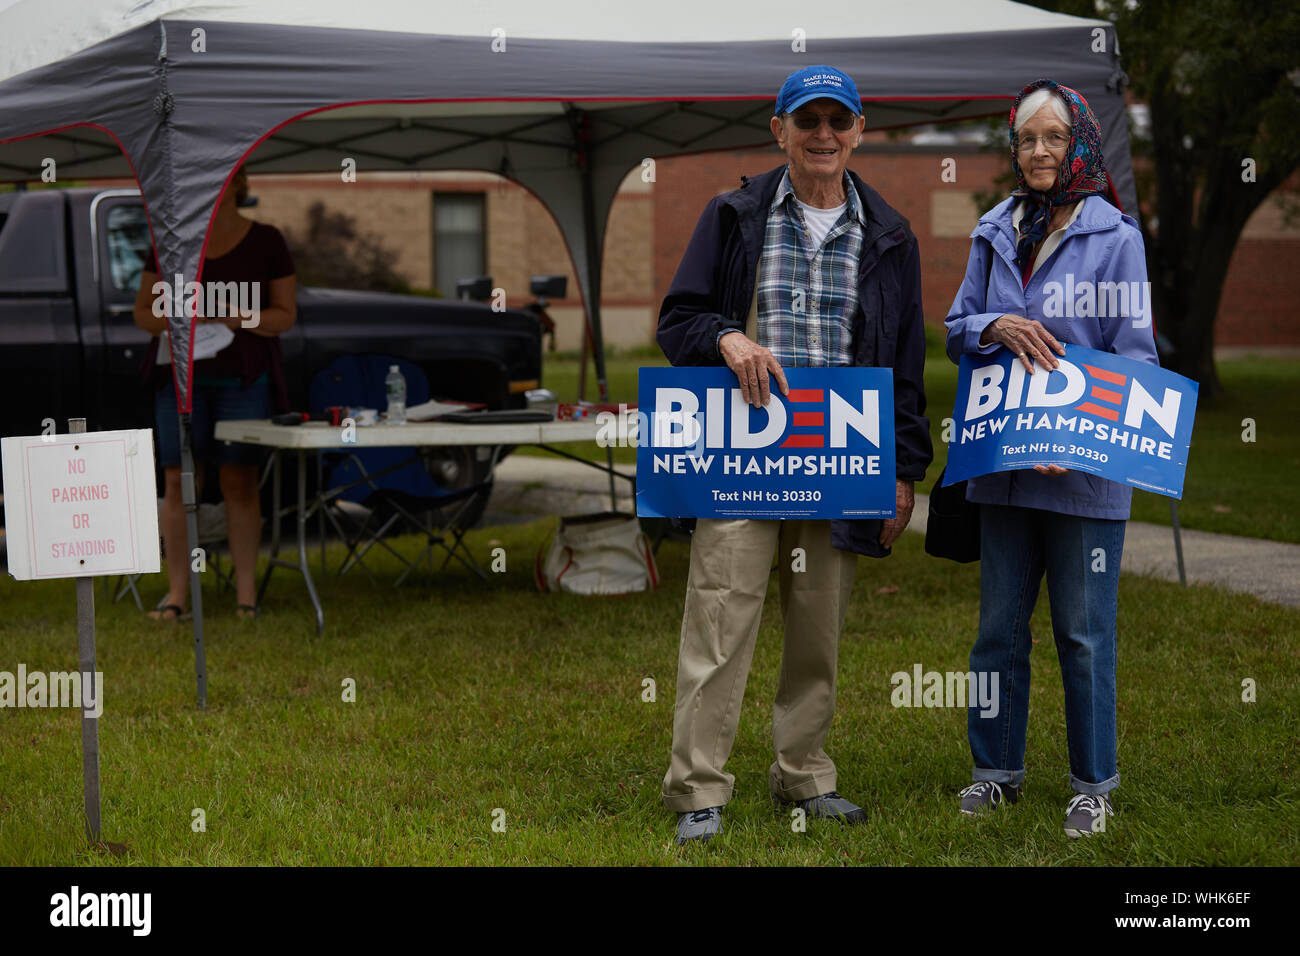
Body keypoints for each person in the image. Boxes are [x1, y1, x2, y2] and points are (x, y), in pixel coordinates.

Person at [657, 65, 931, 844]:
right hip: (744, 456)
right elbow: (678, 320)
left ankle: (803, 774)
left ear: (859, 132)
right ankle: (698, 790)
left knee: (819, 630)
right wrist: (724, 333)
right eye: (805, 120)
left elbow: (905, 366)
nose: (822, 135)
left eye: (836, 121)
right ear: (777, 130)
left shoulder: (892, 234)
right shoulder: (733, 215)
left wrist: (902, 475)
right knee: (718, 617)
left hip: (841, 457)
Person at [943, 79, 1157, 837]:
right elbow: (954, 327)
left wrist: (1081, 441)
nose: (1038, 151)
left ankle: (1092, 784)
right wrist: (992, 325)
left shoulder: (1116, 237)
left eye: (1054, 138)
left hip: (1084, 477)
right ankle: (994, 771)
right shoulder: (994, 229)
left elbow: (1135, 358)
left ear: (1081, 146)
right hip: (1001, 467)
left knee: (1083, 633)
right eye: (1027, 138)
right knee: (998, 631)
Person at [132, 165, 297, 621]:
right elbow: (143, 314)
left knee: (239, 480)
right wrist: (182, 318)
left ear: (239, 186)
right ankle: (178, 595)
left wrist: (234, 314)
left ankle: (246, 596)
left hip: (243, 379)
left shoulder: (267, 241)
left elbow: (284, 317)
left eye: (220, 182)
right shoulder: (171, 243)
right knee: (177, 481)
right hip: (181, 379)